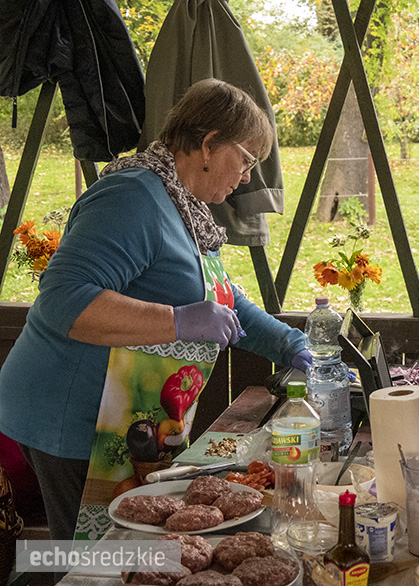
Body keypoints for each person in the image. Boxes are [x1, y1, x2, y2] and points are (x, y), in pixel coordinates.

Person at [0, 79, 312, 548]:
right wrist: (177, 321)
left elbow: (221, 301)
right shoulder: (133, 197)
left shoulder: (183, 205)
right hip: (70, 416)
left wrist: (289, 342)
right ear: (208, 144)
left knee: (131, 554)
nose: (247, 177)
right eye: (246, 160)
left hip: (122, 419)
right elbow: (64, 300)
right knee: (92, 563)